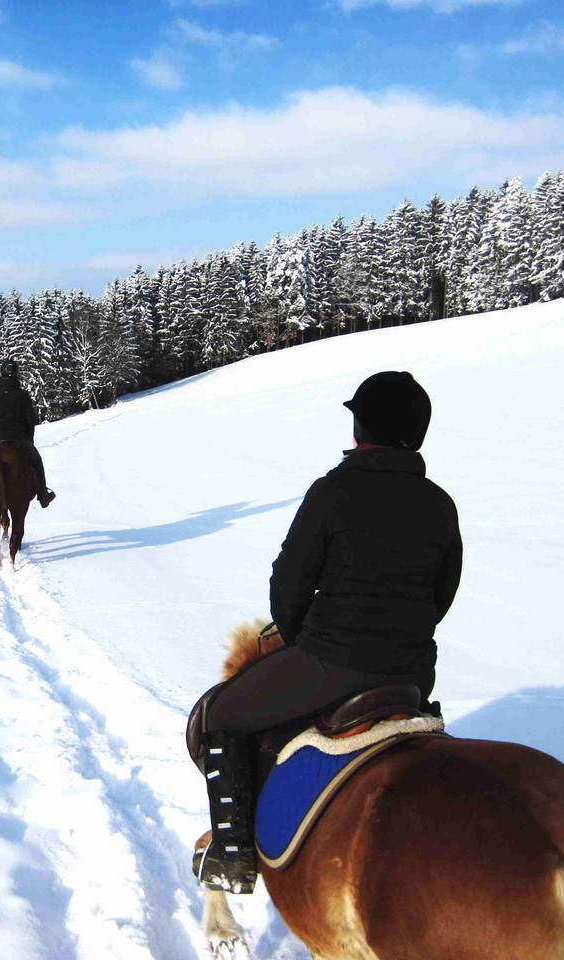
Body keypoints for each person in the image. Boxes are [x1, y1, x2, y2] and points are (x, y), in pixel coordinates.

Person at [188, 371, 463, 893]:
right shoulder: (440, 504)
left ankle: (233, 854)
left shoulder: (333, 491)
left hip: (329, 663)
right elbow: (441, 596)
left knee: (221, 716)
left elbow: (288, 586)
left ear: (360, 427)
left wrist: (302, 637)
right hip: (411, 675)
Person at [0, 359, 56, 508]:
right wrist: (28, 438)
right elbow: (30, 420)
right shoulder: (22, 395)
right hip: (19, 439)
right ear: (16, 374)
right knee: (36, 461)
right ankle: (43, 495)